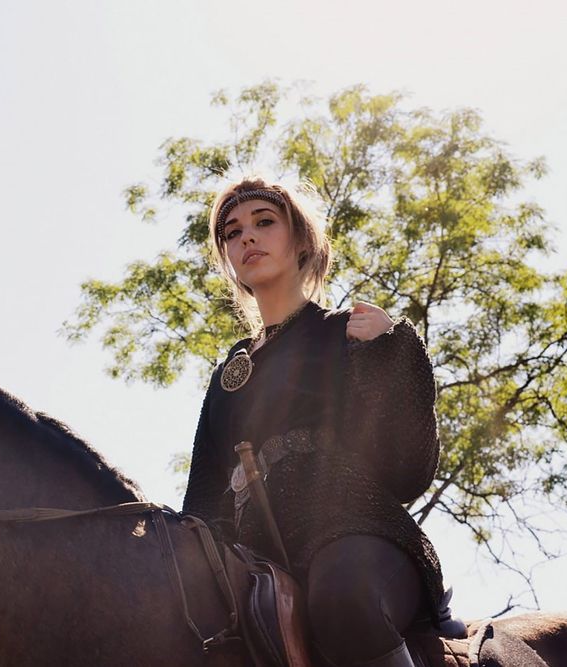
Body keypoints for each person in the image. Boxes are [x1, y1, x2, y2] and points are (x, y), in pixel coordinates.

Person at [181, 176, 463, 667]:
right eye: (232, 232)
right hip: (253, 558)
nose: (247, 237)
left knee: (342, 600)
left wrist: (390, 352)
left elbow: (407, 471)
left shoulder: (349, 333)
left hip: (357, 530)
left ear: (301, 240)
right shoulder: (227, 376)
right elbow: (204, 498)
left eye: (264, 222)